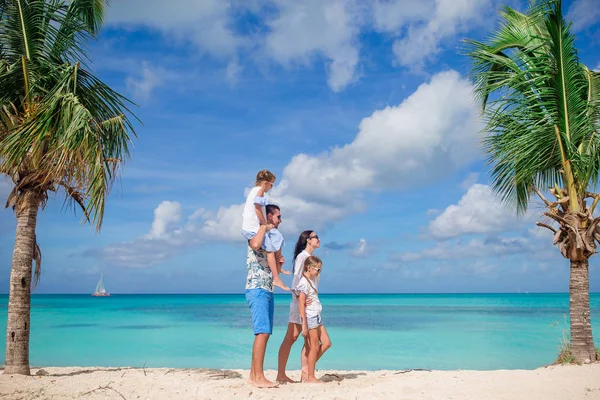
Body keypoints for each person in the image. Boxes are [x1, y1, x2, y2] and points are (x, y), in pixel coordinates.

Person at [276, 230, 330, 383]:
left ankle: (306, 373)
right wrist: (299, 297)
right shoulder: (302, 257)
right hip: (300, 304)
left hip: (309, 305)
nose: (319, 239)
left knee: (310, 342)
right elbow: (297, 281)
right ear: (308, 240)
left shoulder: (312, 259)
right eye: (315, 237)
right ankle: (282, 374)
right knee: (291, 338)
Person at [245, 204, 286, 388]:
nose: (281, 220)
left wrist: (279, 263)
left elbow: (272, 261)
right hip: (257, 287)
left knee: (265, 332)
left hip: (268, 288)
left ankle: (254, 376)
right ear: (269, 216)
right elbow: (254, 244)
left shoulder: (271, 238)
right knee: (262, 331)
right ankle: (258, 377)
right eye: (278, 216)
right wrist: (263, 226)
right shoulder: (255, 232)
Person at [242, 170, 289, 290]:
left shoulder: (253, 191)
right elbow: (258, 210)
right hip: (253, 228)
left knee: (275, 238)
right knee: (271, 246)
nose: (271, 188)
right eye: (271, 185)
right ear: (265, 183)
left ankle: (277, 270)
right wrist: (265, 225)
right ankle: (277, 278)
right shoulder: (260, 190)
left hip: (250, 227)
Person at [297, 256, 329, 383]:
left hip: (317, 315)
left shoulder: (313, 279)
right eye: (317, 269)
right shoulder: (303, 283)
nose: (319, 272)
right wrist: (304, 324)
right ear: (309, 268)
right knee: (314, 347)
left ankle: (307, 369)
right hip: (310, 317)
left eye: (320, 270)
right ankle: (311, 376)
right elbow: (301, 304)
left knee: (326, 343)